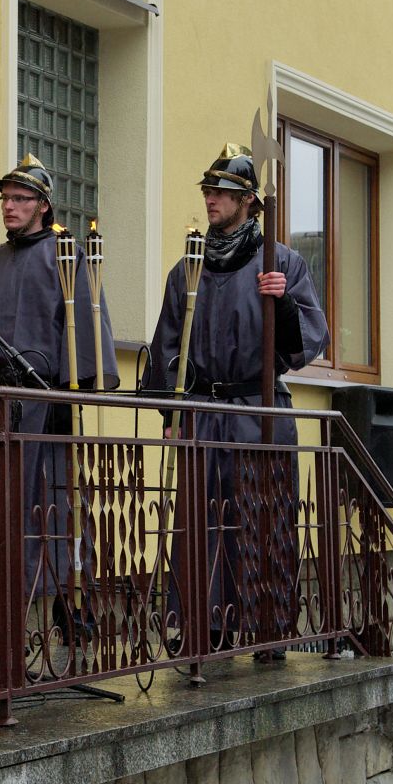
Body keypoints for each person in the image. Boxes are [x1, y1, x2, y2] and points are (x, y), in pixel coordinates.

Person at [141, 142, 329, 656]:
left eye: (221, 191)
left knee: (262, 519)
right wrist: (170, 411)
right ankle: (204, 625)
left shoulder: (281, 262)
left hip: (258, 411)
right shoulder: (188, 269)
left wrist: (282, 302)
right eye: (207, 189)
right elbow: (168, 344)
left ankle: (268, 628)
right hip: (203, 414)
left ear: (248, 201)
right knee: (201, 523)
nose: (210, 198)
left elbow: (308, 342)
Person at [0, 155, 116, 638]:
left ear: (43, 206)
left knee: (55, 505)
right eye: (5, 198)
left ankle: (71, 604)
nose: (9, 206)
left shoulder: (67, 258)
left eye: (20, 199)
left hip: (47, 403)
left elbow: (86, 323)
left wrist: (73, 389)